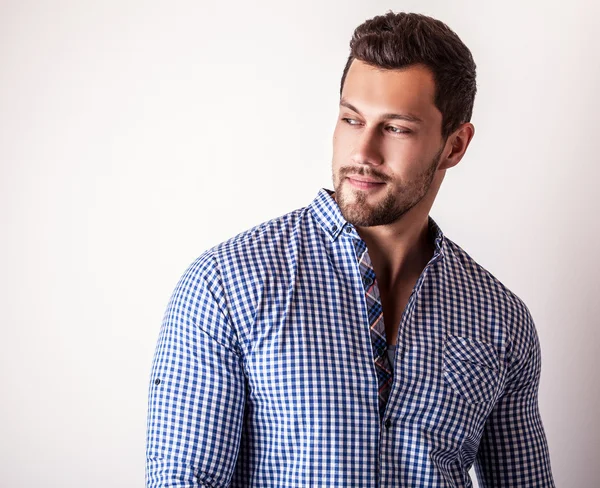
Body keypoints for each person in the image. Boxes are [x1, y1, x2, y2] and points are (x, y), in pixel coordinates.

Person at [145, 11, 555, 487]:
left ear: (454, 146)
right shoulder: (226, 285)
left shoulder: (499, 318)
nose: (363, 151)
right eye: (350, 119)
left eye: (397, 128)